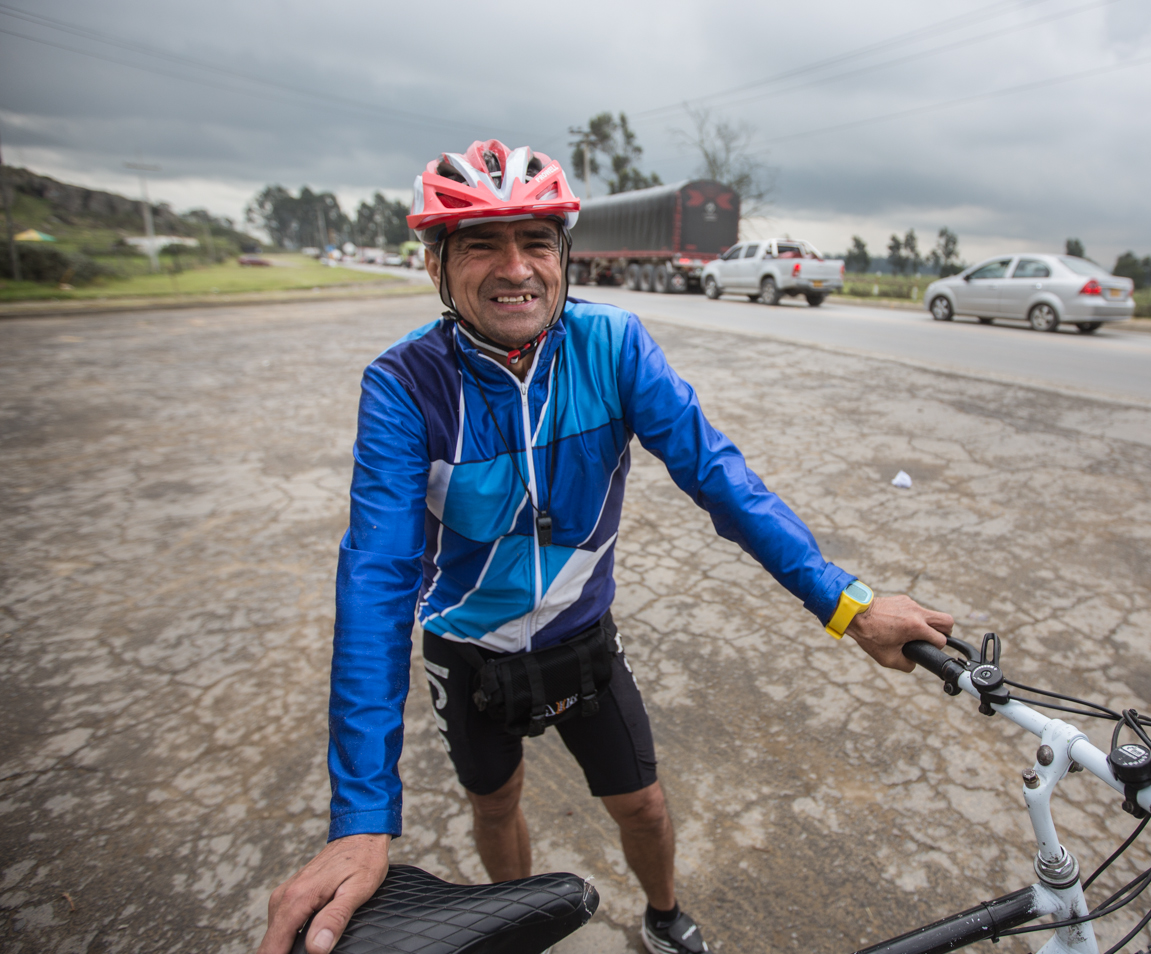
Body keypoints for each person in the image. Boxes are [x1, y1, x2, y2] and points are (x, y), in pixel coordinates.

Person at [256, 140, 953, 954]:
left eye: (537, 241)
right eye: (481, 245)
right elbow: (377, 579)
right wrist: (361, 820)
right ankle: (520, 935)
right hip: (467, 649)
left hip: (580, 634)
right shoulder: (404, 384)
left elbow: (720, 478)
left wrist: (847, 603)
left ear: (565, 254)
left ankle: (663, 917)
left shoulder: (612, 345)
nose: (516, 268)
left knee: (644, 805)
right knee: (495, 806)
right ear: (435, 264)